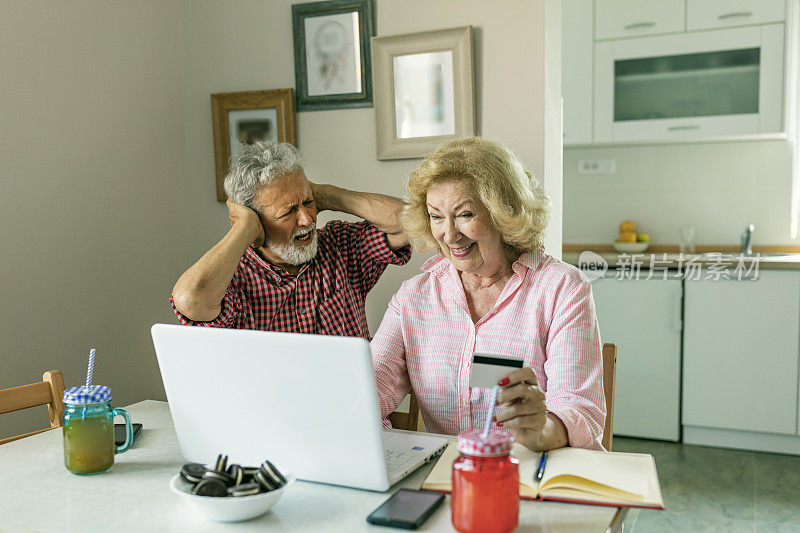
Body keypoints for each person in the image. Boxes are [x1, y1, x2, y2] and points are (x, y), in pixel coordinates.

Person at [370, 137, 605, 451]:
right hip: (451, 474)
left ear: (502, 213)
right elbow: (374, 383)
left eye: (465, 215)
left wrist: (540, 430)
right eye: (437, 216)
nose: (449, 234)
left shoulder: (561, 287)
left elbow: (580, 410)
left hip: (533, 471)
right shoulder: (414, 297)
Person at [171, 141, 411, 338]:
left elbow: (410, 223)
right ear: (256, 222)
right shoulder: (235, 278)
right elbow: (191, 299)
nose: (307, 219)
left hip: (349, 396)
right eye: (288, 212)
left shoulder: (341, 245)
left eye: (308, 203)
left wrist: (325, 195)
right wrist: (244, 227)